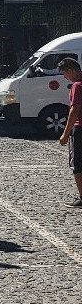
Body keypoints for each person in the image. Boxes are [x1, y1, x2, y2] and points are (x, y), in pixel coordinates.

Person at [57, 57, 82, 207]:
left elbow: (75, 110)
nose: (65, 77)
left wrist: (65, 134)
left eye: (65, 74)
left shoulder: (77, 86)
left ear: (71, 70)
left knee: (77, 164)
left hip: (79, 129)